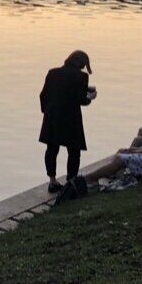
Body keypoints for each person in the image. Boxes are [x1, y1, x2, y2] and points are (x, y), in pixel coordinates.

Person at [39, 50, 96, 193]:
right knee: (74, 151)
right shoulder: (81, 77)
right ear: (81, 64)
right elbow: (81, 99)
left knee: (52, 149)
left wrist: (46, 111)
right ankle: (71, 181)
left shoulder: (52, 73)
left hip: (52, 117)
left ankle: (52, 181)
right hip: (71, 119)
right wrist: (91, 97)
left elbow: (43, 95)